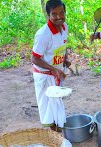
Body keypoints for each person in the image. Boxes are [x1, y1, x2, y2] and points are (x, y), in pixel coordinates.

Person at [31, 0, 71, 132]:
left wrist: (65, 59)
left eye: (61, 13)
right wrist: (54, 69)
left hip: (56, 73)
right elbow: (35, 58)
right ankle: (53, 135)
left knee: (56, 103)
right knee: (48, 106)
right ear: (48, 15)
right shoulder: (43, 34)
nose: (59, 17)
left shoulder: (64, 27)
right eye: (54, 14)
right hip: (44, 75)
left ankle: (57, 131)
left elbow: (62, 45)